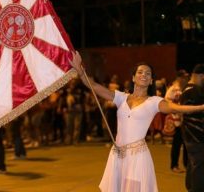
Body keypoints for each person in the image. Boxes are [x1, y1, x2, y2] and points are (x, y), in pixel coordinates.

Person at [70, 51, 204, 192]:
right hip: (117, 155)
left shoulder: (154, 102)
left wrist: (201, 107)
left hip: (137, 158)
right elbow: (94, 86)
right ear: (133, 77)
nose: (144, 75)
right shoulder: (121, 97)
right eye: (140, 72)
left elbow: (175, 107)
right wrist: (80, 69)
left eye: (148, 73)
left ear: (151, 80)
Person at [180, 64, 204, 192]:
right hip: (197, 136)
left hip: (189, 135)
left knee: (192, 164)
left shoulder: (186, 89)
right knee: (199, 167)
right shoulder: (195, 91)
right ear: (201, 76)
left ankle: (190, 187)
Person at [165, 69, 189, 173]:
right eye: (184, 77)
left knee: (186, 144)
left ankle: (187, 164)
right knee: (177, 144)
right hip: (176, 120)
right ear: (179, 77)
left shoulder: (186, 87)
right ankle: (174, 165)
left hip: (185, 120)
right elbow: (167, 102)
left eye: (186, 77)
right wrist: (175, 111)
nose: (186, 78)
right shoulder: (173, 89)